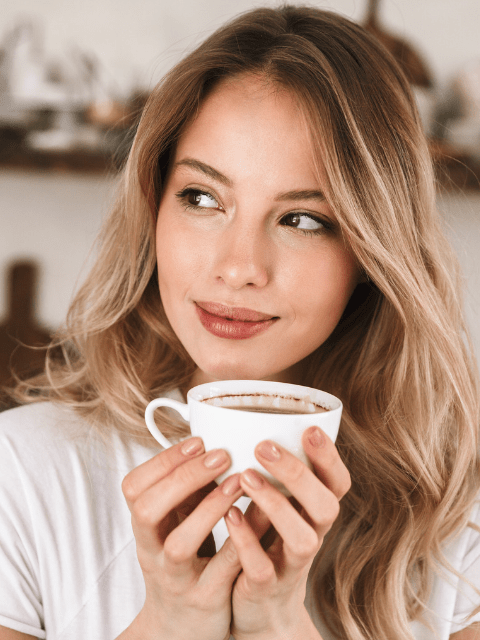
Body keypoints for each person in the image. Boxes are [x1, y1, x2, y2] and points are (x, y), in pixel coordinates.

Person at [1, 5, 479, 640]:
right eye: (203, 198)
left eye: (303, 219)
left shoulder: (456, 516)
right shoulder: (22, 473)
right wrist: (171, 624)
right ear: (154, 206)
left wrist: (280, 625)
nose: (239, 268)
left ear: (371, 251)